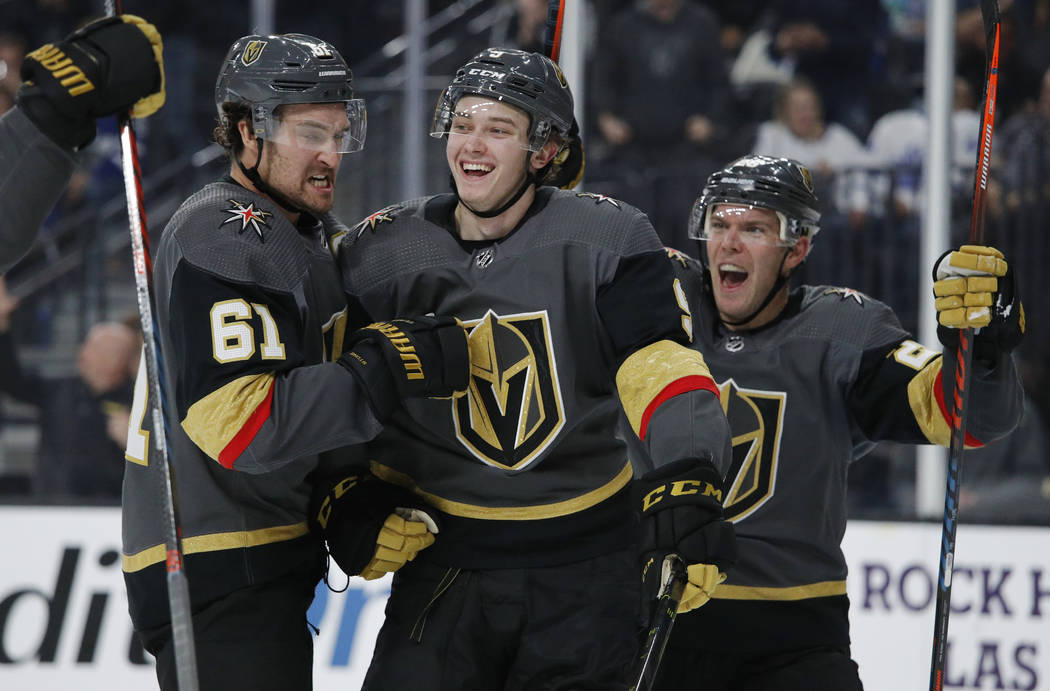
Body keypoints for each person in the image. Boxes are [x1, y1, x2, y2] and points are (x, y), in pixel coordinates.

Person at [330, 47, 736, 689]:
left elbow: (658, 365)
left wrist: (688, 475)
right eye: (463, 123)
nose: (473, 142)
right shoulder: (378, 253)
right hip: (445, 568)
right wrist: (344, 490)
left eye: (498, 129)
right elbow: (336, 390)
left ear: (544, 151)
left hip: (588, 573)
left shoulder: (609, 237)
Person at [119, 33, 469, 691]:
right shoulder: (222, 231)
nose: (330, 155)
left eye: (341, 134)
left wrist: (347, 496)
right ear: (247, 130)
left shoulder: (307, 237)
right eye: (311, 132)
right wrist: (386, 368)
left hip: (261, 551)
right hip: (212, 557)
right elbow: (243, 424)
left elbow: (309, 409)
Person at [654, 155, 1025, 690]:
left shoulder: (843, 331)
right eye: (719, 225)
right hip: (657, 622)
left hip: (795, 636)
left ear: (797, 248)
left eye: (754, 228)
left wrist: (984, 348)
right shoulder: (661, 305)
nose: (729, 243)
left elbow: (970, 419)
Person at [0, 14, 165, 274]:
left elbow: (132, 155)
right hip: (61, 169)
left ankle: (93, 262)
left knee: (91, 193)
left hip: (104, 177)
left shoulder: (123, 103)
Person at [0, 276, 139, 502]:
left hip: (108, 513)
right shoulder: (59, 389)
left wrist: (137, 441)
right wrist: (2, 325)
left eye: (95, 348)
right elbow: (11, 381)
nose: (82, 352)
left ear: (116, 361)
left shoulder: (139, 402)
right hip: (50, 509)